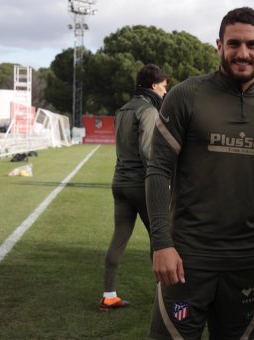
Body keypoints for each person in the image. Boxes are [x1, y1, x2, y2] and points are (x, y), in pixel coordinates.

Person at [145, 7, 254, 339]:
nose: (242, 53)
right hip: (188, 257)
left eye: (251, 45)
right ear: (219, 46)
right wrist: (161, 243)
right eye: (233, 44)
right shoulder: (187, 95)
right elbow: (158, 170)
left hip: (245, 260)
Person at [100, 63, 168, 312]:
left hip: (119, 183)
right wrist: (162, 183)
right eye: (163, 86)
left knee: (119, 238)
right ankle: (163, 297)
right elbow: (149, 153)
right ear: (153, 85)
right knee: (160, 238)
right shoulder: (148, 111)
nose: (165, 91)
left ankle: (108, 295)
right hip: (141, 184)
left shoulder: (123, 109)